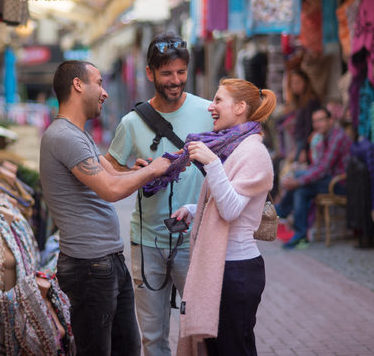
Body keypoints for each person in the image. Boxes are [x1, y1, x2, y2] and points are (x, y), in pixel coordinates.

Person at [40, 60, 174, 356]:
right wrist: (152, 172)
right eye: (98, 82)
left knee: (127, 347)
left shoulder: (78, 134)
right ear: (78, 85)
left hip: (106, 262)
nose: (105, 92)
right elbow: (111, 190)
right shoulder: (64, 136)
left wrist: (139, 170)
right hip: (90, 267)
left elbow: (113, 175)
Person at [105, 33, 212, 356]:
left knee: (202, 333)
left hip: (195, 240)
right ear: (150, 73)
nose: (175, 80)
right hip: (147, 241)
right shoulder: (132, 122)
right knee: (152, 338)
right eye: (166, 73)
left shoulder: (209, 112)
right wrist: (137, 172)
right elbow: (109, 167)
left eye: (181, 72)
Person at [170, 78, 277, 356]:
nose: (211, 107)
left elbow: (230, 210)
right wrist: (193, 210)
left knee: (234, 348)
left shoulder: (253, 152)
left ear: (240, 107)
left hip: (237, 271)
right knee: (219, 348)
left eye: (218, 100)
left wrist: (212, 163)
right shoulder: (233, 147)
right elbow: (226, 202)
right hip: (220, 267)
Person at [276, 106, 351, 249]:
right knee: (301, 189)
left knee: (300, 183)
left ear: (330, 120)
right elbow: (317, 166)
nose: (317, 125)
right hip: (327, 180)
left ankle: (283, 209)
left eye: (321, 120)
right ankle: (300, 235)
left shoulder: (337, 137)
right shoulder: (324, 137)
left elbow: (323, 169)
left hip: (340, 183)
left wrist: (297, 181)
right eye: (315, 121)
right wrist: (297, 180)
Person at [278, 68, 321, 162]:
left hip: (305, 143)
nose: (295, 86)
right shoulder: (300, 101)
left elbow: (309, 127)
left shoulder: (311, 100)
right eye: (292, 83)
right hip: (298, 142)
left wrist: (304, 150)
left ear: (305, 82)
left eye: (298, 82)